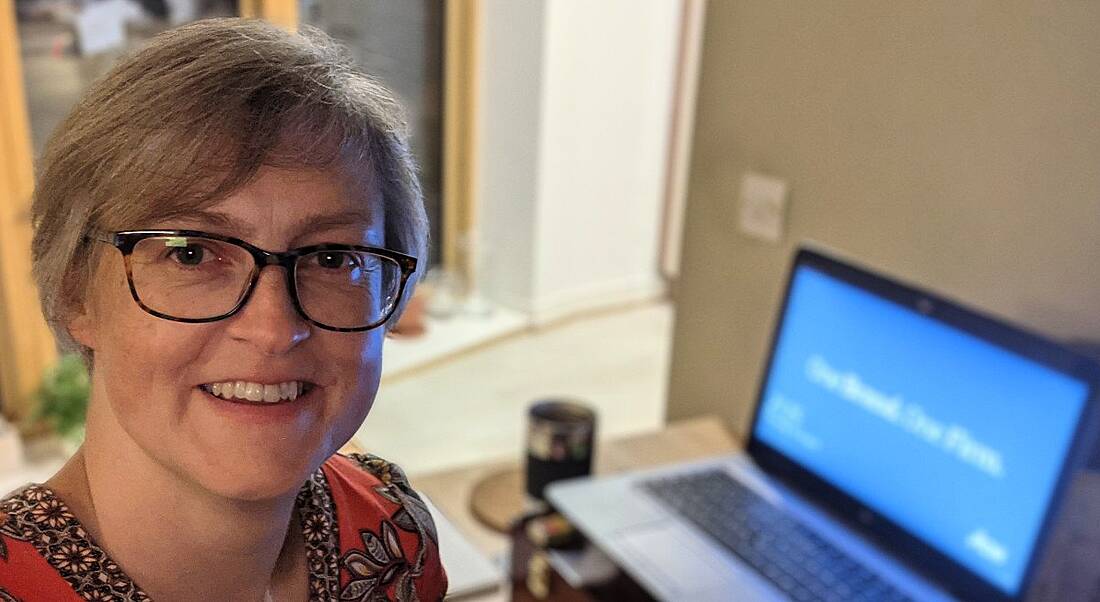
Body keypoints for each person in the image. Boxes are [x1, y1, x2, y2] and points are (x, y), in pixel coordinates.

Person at [0, 18, 447, 602]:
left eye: (334, 257)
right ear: (74, 290)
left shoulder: (395, 539)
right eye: (191, 254)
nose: (273, 330)